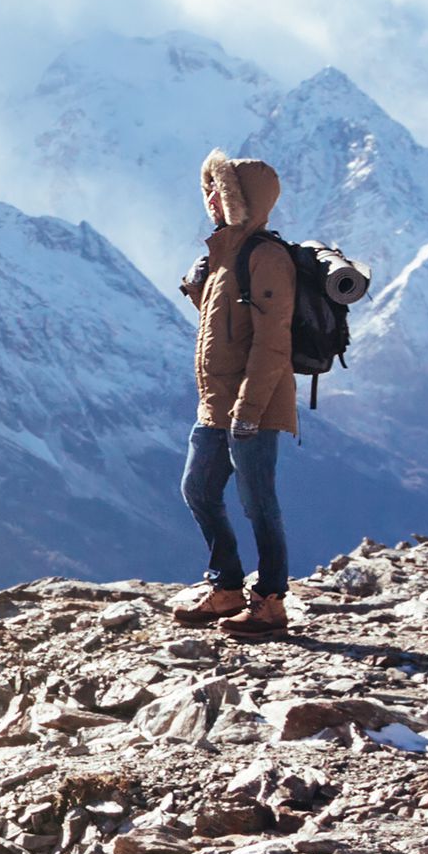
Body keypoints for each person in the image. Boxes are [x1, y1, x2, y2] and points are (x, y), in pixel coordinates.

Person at [172, 150, 294, 637]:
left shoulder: (267, 258)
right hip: (215, 406)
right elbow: (228, 329)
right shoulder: (223, 256)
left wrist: (248, 409)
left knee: (257, 501)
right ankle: (226, 588)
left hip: (252, 407)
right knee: (198, 489)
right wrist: (199, 289)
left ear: (243, 201)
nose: (210, 199)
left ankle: (270, 602)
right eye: (209, 190)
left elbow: (272, 341)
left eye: (219, 191)